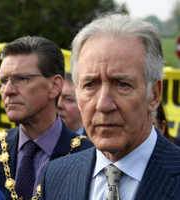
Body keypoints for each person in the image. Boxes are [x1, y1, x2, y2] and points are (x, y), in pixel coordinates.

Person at [40, 13, 180, 200]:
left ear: (154, 94)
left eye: (122, 84)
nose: (103, 104)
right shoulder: (55, 177)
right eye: (90, 85)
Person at [0, 36, 93, 200]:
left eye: (21, 79)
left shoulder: (90, 154)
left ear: (54, 86)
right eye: (3, 81)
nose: (8, 90)